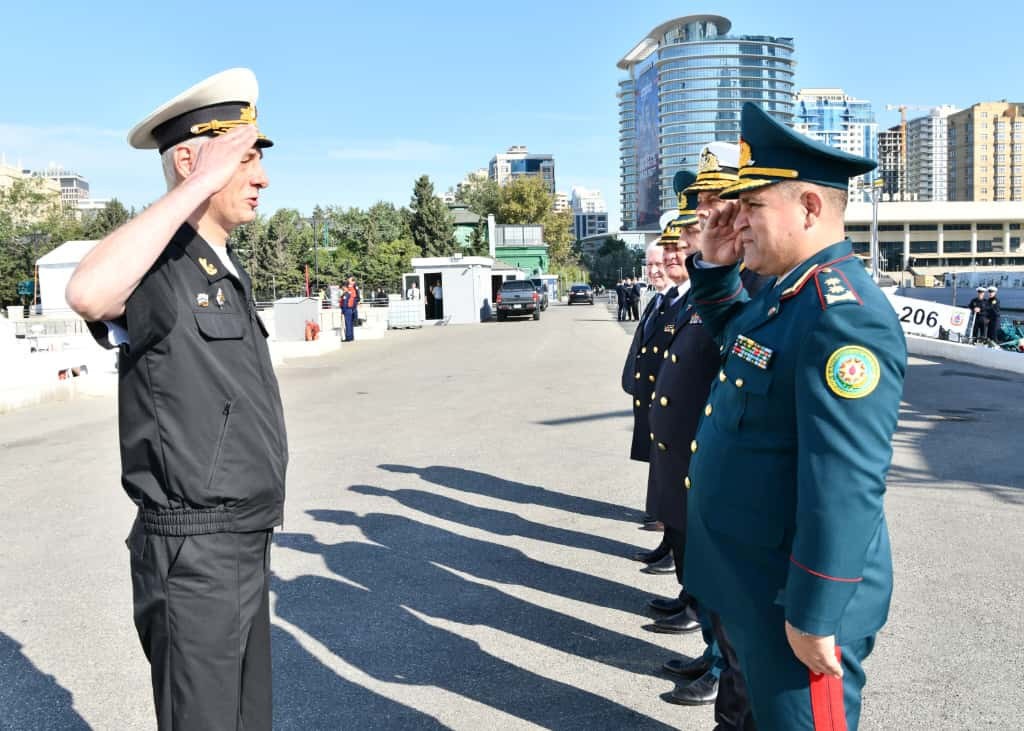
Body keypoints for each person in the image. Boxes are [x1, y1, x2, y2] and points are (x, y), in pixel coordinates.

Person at [65, 68, 287, 730]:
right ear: (191, 159)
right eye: (244, 158)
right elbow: (87, 292)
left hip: (245, 540)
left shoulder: (219, 264)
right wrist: (195, 186)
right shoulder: (160, 267)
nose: (262, 177)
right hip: (195, 555)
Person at [683, 103, 907, 730]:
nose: (737, 221)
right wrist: (716, 263)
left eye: (752, 208)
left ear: (809, 208)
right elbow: (738, 344)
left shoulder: (843, 316)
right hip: (753, 590)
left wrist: (816, 612)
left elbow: (845, 482)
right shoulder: (788, 295)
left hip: (792, 605)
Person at [621, 236, 679, 564]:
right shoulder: (657, 301)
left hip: (669, 403)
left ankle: (671, 543)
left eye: (660, 264)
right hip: (653, 401)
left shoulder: (681, 304)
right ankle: (664, 533)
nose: (654, 271)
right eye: (650, 265)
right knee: (659, 467)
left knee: (671, 474)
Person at [341, 276, 359, 342]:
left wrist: (343, 311)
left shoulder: (346, 294)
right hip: (352, 308)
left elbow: (345, 303)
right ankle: (351, 337)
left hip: (347, 309)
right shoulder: (350, 292)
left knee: (348, 324)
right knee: (350, 324)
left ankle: (348, 337)